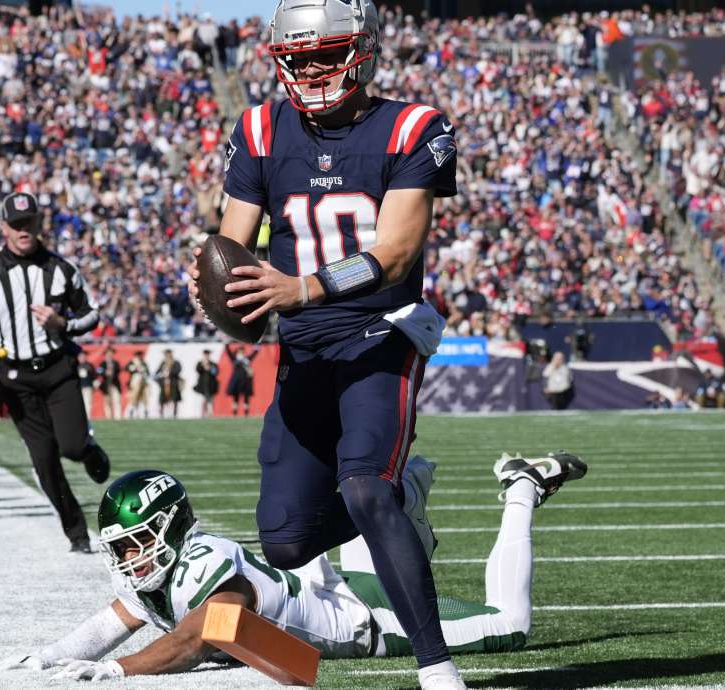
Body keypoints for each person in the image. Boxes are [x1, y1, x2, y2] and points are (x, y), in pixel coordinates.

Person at [188, 2, 463, 686]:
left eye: (326, 55)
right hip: (303, 349)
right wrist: (220, 287)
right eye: (298, 58)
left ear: (363, 51)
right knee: (286, 540)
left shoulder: (413, 127)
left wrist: (303, 288)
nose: (310, 71)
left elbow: (396, 254)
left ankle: (437, 669)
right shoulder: (259, 128)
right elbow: (232, 243)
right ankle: (404, 495)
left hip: (381, 335)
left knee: (365, 489)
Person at [0, 450, 587, 681]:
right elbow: (111, 620)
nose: (127, 558)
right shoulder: (163, 577)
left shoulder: (204, 562)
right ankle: (406, 495)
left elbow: (200, 635)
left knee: (510, 624)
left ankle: (522, 488)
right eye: (121, 548)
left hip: (367, 618)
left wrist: (119, 671)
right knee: (380, 526)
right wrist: (49, 656)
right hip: (333, 586)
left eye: (136, 542)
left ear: (169, 528)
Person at [0, 191, 111, 553]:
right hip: (16, 379)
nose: (23, 230)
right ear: (4, 227)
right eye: (16, 224)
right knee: (44, 461)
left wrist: (63, 324)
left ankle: (88, 451)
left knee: (72, 446)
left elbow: (91, 314)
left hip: (57, 370)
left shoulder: (61, 268)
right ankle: (77, 533)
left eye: (29, 222)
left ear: (39, 224)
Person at [222, 343, 254, 416]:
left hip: (245, 380)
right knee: (235, 397)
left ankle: (246, 413)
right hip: (236, 381)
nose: (241, 353)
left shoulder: (246, 360)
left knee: (246, 397)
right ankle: (234, 413)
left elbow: (254, 354)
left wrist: (257, 346)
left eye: (242, 351)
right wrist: (226, 344)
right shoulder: (234, 359)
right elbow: (229, 352)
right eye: (240, 351)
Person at [154, 349, 182, 419]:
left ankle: (174, 413)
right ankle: (161, 412)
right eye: (166, 354)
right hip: (164, 383)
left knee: (174, 398)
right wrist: (162, 374)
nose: (167, 355)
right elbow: (157, 372)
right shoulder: (163, 363)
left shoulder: (175, 362)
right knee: (162, 398)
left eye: (168, 354)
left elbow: (178, 370)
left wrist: (170, 372)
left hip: (173, 383)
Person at [97, 349, 123, 420]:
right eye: (108, 354)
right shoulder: (103, 363)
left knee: (116, 400)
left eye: (111, 354)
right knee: (107, 401)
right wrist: (105, 372)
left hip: (115, 384)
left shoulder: (115, 363)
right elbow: (98, 370)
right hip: (106, 385)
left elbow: (119, 370)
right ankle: (108, 416)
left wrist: (113, 371)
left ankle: (118, 416)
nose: (109, 355)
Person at [193, 350, 219, 418]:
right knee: (204, 399)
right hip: (202, 385)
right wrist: (203, 366)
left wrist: (210, 368)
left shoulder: (212, 364)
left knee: (210, 399)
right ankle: (203, 413)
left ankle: (210, 413)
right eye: (205, 355)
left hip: (211, 385)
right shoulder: (200, 363)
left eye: (207, 355)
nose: (206, 356)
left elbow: (215, 372)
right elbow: (198, 370)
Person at [76, 352, 96, 419]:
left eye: (83, 356)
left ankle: (87, 417)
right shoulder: (75, 365)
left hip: (88, 386)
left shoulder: (89, 365)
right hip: (78, 387)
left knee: (88, 402)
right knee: (78, 403)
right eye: (80, 356)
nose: (82, 358)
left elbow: (94, 375)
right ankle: (80, 417)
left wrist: (94, 383)